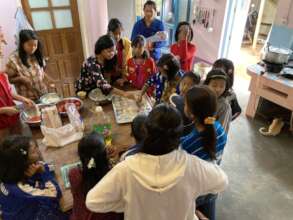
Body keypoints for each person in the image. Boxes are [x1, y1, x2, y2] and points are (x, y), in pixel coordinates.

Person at [85, 104, 228, 220]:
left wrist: (127, 203)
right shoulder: (193, 166)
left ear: (146, 132)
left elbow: (92, 201)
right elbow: (222, 181)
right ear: (179, 136)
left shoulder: (125, 169)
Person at [180, 86, 228, 220]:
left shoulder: (187, 144)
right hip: (212, 187)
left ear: (191, 112)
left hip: (196, 192)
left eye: (185, 104)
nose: (184, 106)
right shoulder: (219, 129)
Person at [0, 135, 66, 220]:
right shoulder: (20, 190)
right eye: (34, 151)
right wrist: (43, 172)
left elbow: (48, 166)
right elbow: (56, 194)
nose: (39, 151)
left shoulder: (9, 173)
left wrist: (40, 170)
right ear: (23, 162)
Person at [69, 133, 123, 220]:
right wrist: (105, 159)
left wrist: (101, 157)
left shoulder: (74, 174)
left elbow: (91, 166)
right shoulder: (112, 177)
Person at [75, 35, 133, 99]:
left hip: (97, 89)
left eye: (113, 50)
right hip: (84, 91)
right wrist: (124, 94)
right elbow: (103, 84)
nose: (112, 53)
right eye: (109, 51)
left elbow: (108, 75)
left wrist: (117, 80)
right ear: (101, 50)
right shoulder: (92, 63)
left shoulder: (108, 58)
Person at [5, 30, 51, 101]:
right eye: (29, 45)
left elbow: (41, 71)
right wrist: (21, 79)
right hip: (28, 98)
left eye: (35, 45)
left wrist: (48, 78)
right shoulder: (14, 60)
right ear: (22, 44)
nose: (33, 48)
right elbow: (9, 80)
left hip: (43, 94)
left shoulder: (37, 55)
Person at [0, 72, 34, 139]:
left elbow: (9, 92)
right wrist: (4, 110)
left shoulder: (2, 75)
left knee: (19, 142)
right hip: (1, 125)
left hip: (14, 118)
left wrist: (23, 99)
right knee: (6, 147)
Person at [107, 18, 132, 84]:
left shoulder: (127, 43)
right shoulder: (106, 44)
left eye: (119, 33)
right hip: (110, 77)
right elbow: (105, 66)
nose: (118, 36)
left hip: (124, 77)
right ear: (110, 32)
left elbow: (128, 63)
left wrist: (124, 78)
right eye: (115, 34)